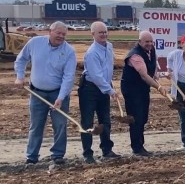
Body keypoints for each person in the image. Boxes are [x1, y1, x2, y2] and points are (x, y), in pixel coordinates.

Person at [14, 21, 77, 166]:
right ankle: (32, 156)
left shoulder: (69, 51)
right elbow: (21, 59)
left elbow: (68, 77)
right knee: (36, 125)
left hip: (58, 93)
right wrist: (20, 76)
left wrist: (61, 98)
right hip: (37, 93)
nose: (61, 36)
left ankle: (58, 155)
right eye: (58, 33)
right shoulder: (35, 43)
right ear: (50, 31)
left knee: (60, 125)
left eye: (64, 34)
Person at [78, 21, 121, 163]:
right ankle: (87, 154)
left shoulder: (109, 47)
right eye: (100, 32)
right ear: (93, 34)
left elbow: (108, 69)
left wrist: (110, 87)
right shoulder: (91, 53)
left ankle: (107, 150)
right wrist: (109, 90)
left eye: (105, 32)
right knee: (87, 122)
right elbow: (96, 75)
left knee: (105, 119)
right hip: (90, 88)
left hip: (104, 86)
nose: (103, 34)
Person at [121, 30, 168, 156]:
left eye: (151, 41)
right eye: (146, 42)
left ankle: (140, 144)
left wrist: (156, 75)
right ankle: (137, 147)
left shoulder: (151, 50)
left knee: (143, 116)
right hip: (131, 89)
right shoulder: (135, 56)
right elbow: (144, 75)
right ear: (140, 42)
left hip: (142, 89)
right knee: (136, 117)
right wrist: (158, 87)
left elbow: (152, 67)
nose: (149, 44)